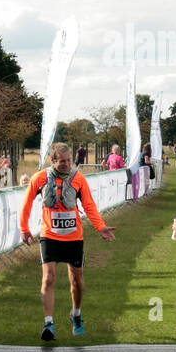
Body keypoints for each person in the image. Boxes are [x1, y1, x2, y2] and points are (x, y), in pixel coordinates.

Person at [20, 142, 115, 341]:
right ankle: (48, 324)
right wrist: (24, 229)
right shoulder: (40, 178)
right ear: (53, 161)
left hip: (73, 238)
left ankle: (76, 315)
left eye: (69, 161)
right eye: (62, 161)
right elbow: (27, 203)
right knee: (48, 278)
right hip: (49, 236)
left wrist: (101, 227)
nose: (66, 164)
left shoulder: (78, 178)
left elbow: (89, 205)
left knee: (77, 281)